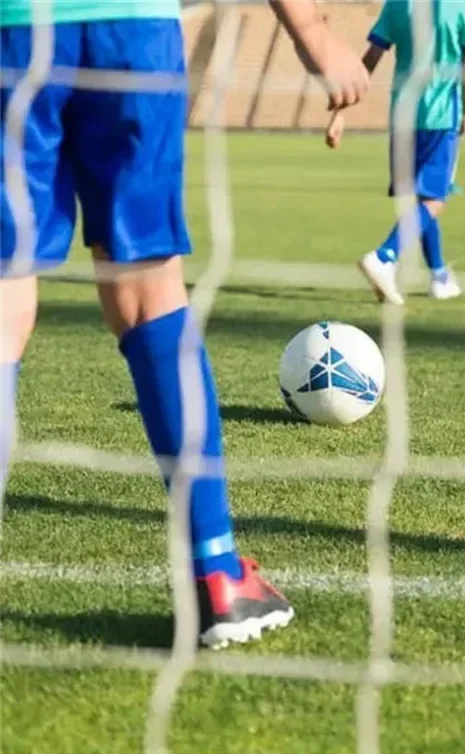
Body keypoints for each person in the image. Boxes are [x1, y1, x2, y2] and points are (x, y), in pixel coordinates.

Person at [0, 0, 369, 648]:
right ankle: (217, 575)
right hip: (132, 30)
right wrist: (312, 36)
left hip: (13, 31)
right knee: (148, 292)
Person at [325, 0, 465, 304]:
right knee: (434, 199)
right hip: (440, 116)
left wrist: (340, 112)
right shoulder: (462, 4)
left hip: (403, 116)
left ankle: (439, 276)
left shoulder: (397, 3)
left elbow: (369, 60)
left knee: (420, 199)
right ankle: (385, 256)